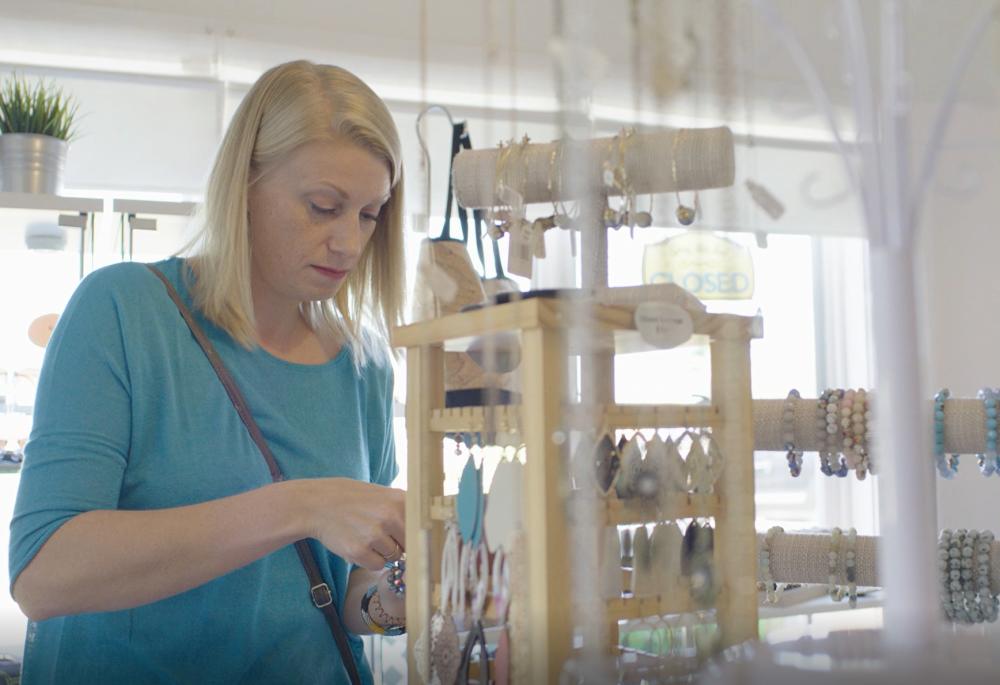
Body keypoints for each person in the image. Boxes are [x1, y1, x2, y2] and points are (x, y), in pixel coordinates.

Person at [8, 60, 407, 684]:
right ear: (244, 184)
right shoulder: (123, 311)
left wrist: (405, 596)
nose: (349, 246)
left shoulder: (365, 364)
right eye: (323, 207)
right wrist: (300, 505)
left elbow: (349, 594)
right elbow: (44, 573)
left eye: (369, 214)